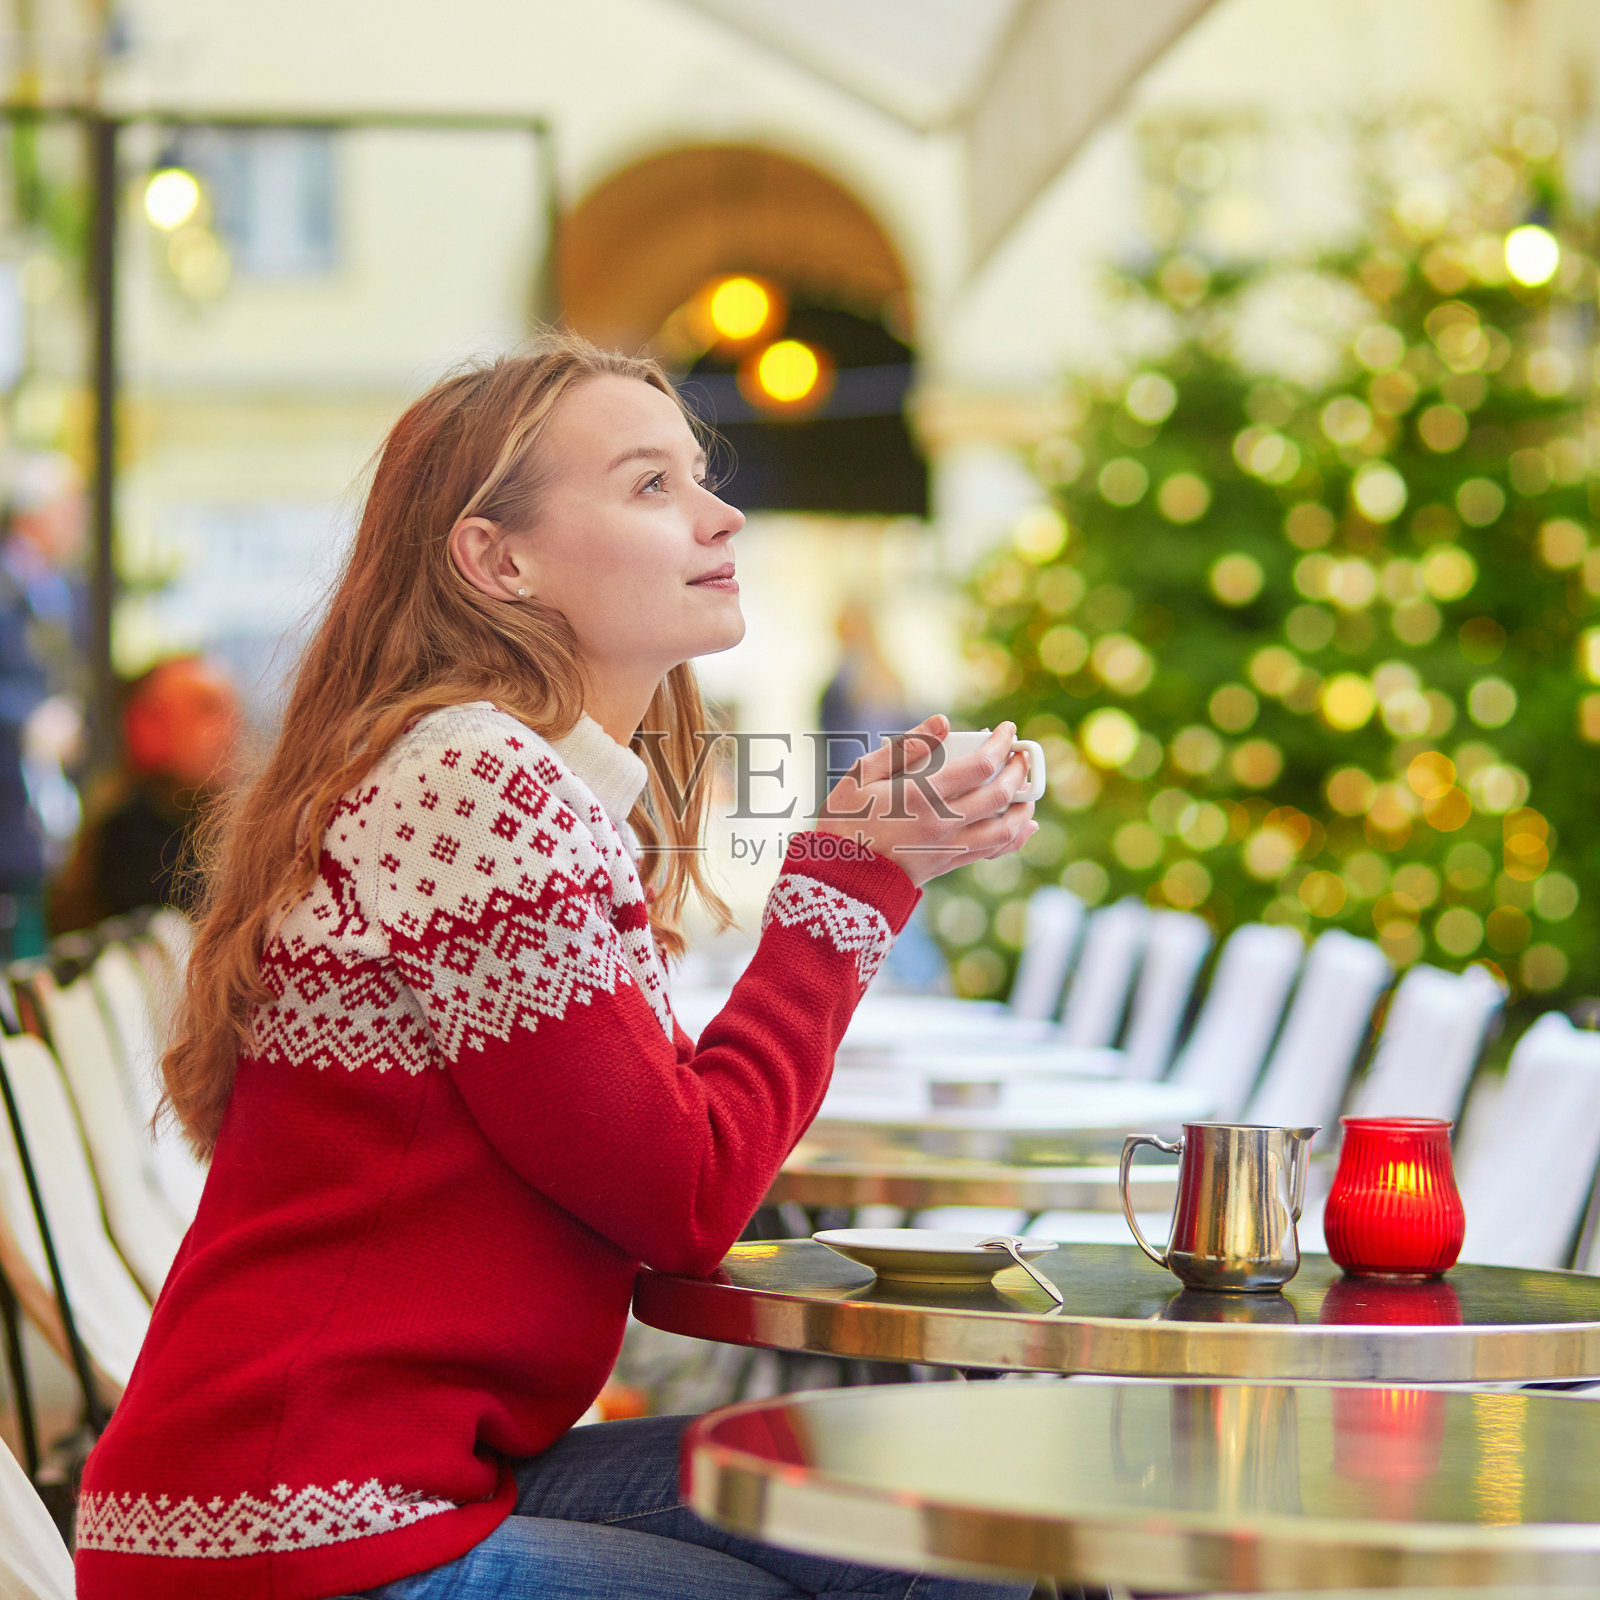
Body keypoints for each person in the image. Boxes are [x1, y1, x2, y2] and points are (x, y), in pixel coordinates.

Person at [73, 335, 1038, 1600]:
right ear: (497, 558)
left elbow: (651, 1145)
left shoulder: (495, 775)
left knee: (935, 1510)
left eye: (699, 475)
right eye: (651, 485)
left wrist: (862, 863)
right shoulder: (473, 780)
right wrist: (852, 878)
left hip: (337, 1497)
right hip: (301, 1533)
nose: (720, 512)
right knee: (931, 1543)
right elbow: (685, 1198)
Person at [49, 654, 242, 932]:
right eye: (208, 710)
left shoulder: (217, 821)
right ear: (144, 728)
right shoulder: (126, 835)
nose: (230, 729)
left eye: (233, 711)